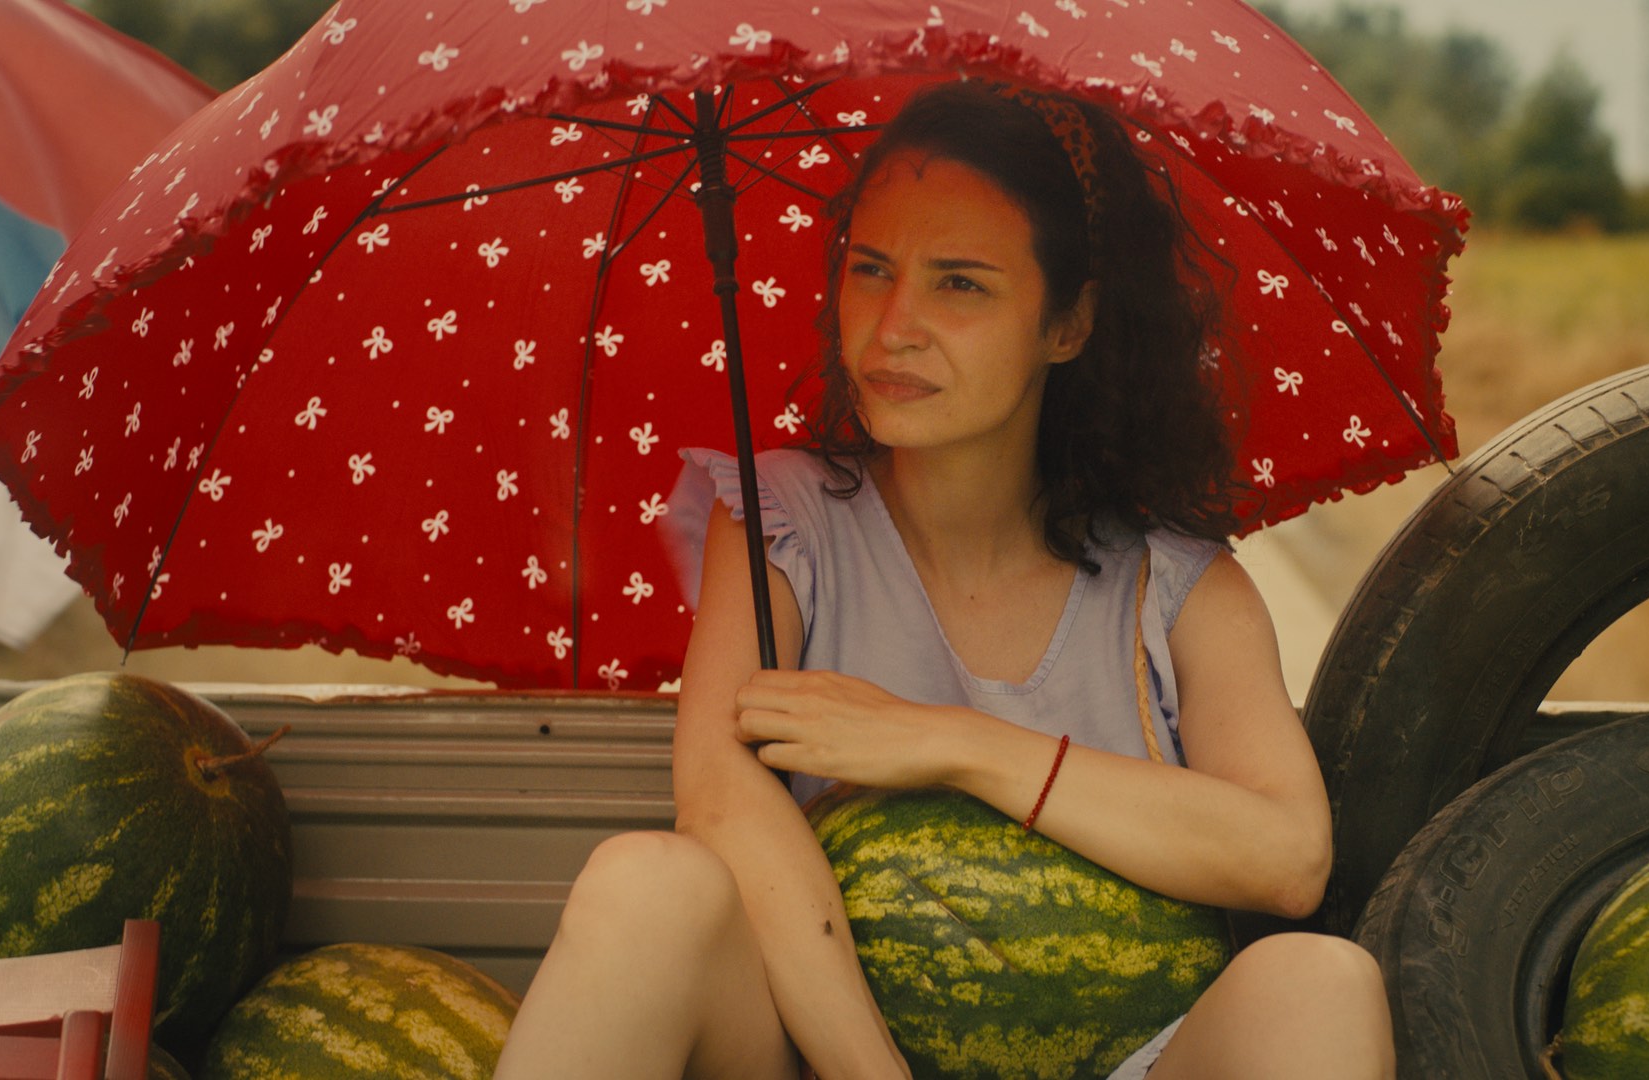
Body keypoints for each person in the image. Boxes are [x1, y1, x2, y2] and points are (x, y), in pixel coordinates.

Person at [494, 79, 1394, 1079]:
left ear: (1069, 323)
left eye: (959, 284)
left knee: (1321, 981)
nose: (893, 327)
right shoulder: (781, 527)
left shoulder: (1180, 590)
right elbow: (718, 800)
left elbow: (1287, 857)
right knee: (645, 883)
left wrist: (952, 745)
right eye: (870, 269)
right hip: (835, 1061)